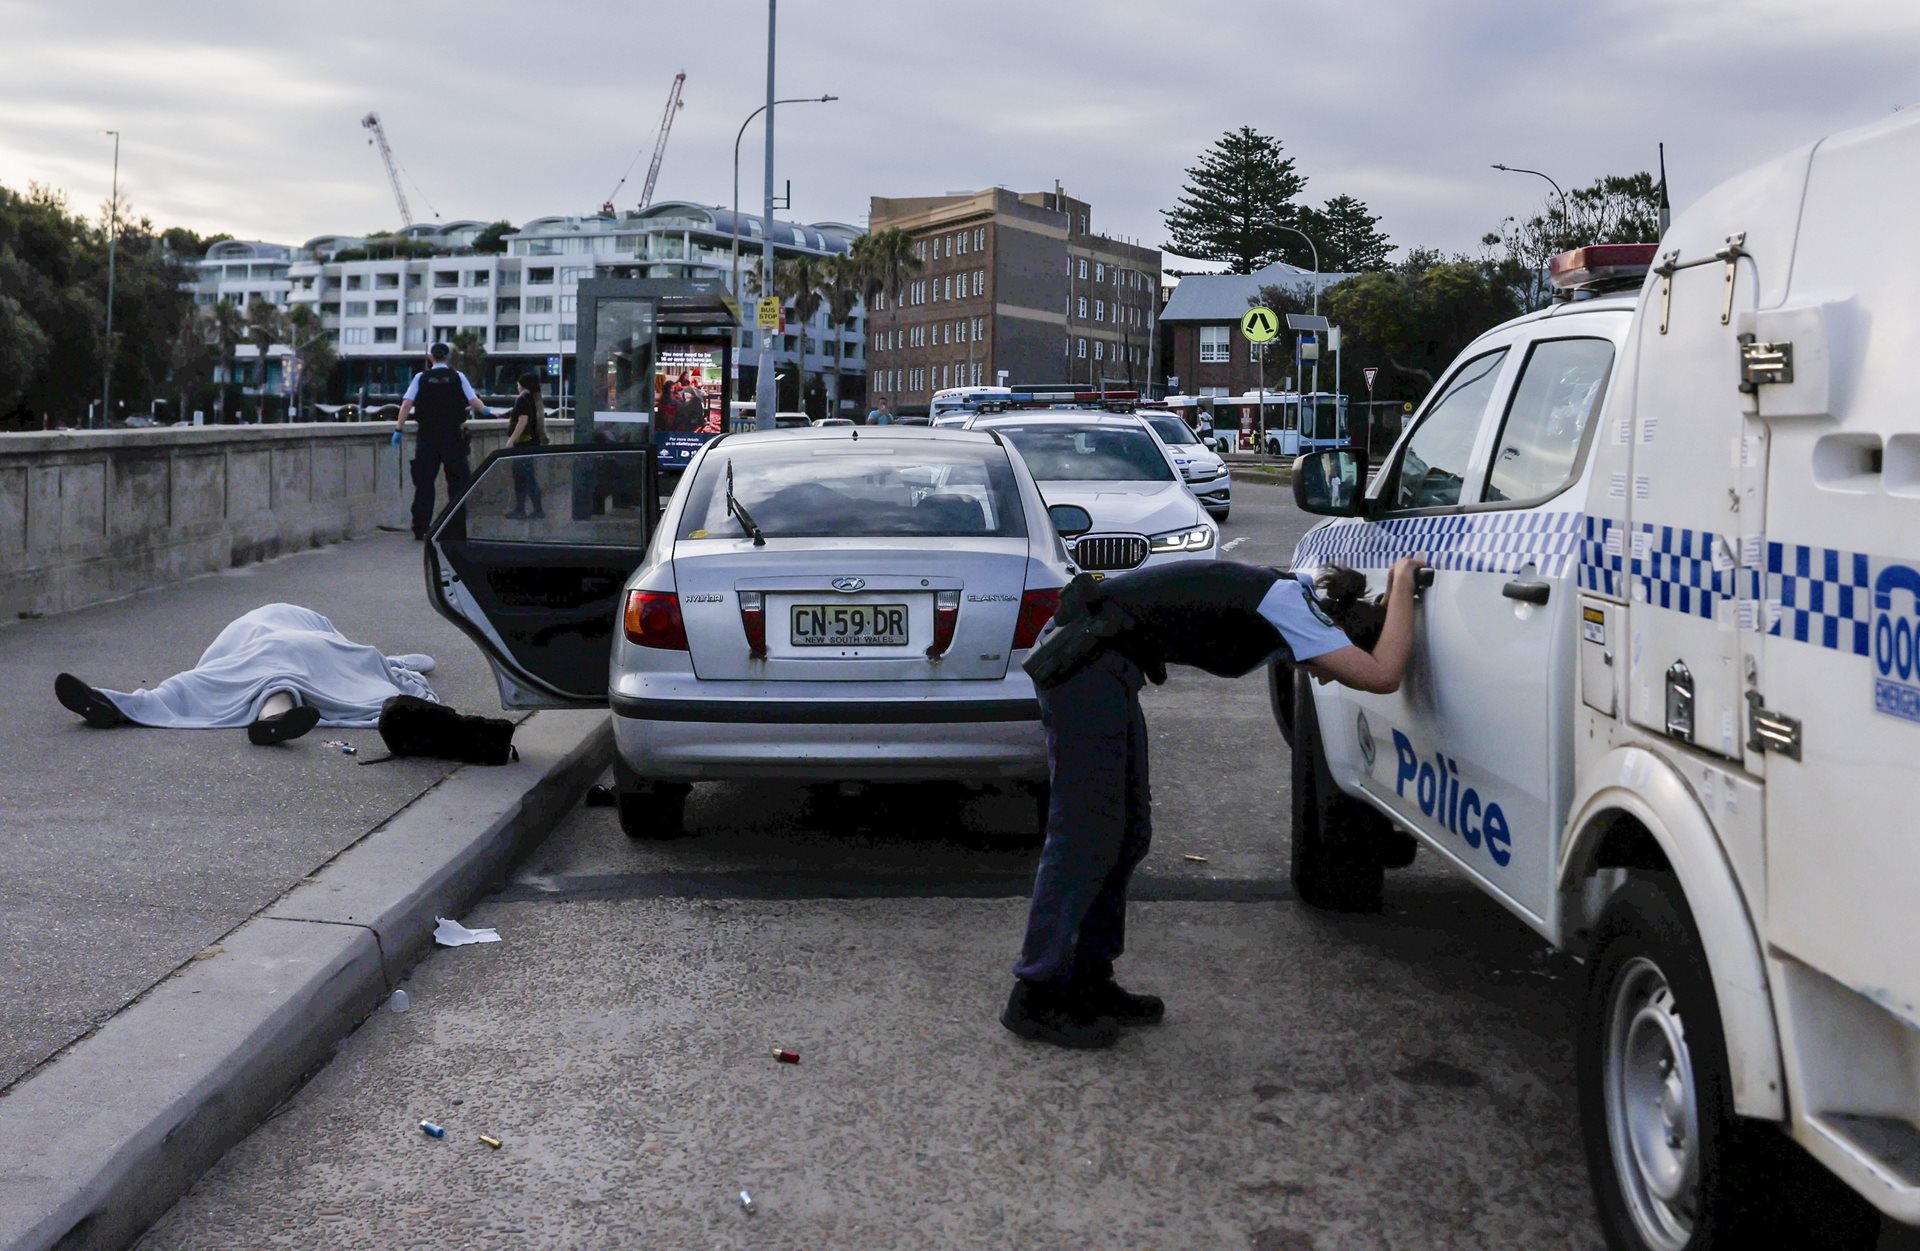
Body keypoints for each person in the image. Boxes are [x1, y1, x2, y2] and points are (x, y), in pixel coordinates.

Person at [1002, 555, 1427, 1050]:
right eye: (1335, 667)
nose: (1328, 678)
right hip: (1082, 663)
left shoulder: (1295, 604)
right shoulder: (1296, 611)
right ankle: (1035, 994)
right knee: (1087, 834)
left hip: (1104, 665)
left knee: (1128, 832)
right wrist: (1402, 582)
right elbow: (1382, 675)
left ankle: (1088, 979)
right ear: (1341, 637)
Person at [53, 603, 440, 746]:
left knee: (191, 687)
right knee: (279, 684)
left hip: (248, 650)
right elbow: (410, 661)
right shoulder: (323, 634)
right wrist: (398, 668)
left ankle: (115, 701)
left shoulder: (258, 623)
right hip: (298, 652)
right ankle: (273, 720)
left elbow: (212, 660)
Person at [396, 343, 488, 540]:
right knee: (457, 482)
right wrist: (487, 411)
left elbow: (406, 405)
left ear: (431, 358)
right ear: (448, 357)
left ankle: (420, 527)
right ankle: (456, 526)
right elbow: (474, 402)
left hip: (427, 437)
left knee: (424, 484)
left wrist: (398, 429)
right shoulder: (458, 377)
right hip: (452, 437)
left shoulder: (421, 378)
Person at [504, 371, 547, 520]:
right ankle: (528, 509)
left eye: (518, 384)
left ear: (522, 385)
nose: (517, 386)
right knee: (526, 477)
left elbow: (522, 421)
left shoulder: (522, 399)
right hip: (532, 443)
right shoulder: (534, 399)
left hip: (523, 444)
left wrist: (511, 440)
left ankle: (529, 510)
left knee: (524, 477)